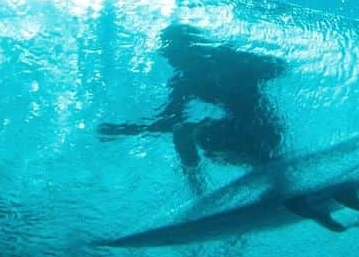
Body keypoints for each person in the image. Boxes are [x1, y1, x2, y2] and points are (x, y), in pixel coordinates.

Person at [98, 24, 288, 194]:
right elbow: (169, 122)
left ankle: (275, 176)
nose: (166, 54)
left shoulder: (224, 57)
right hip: (237, 135)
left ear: (188, 45)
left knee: (200, 132)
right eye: (165, 49)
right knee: (182, 132)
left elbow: (279, 67)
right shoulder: (184, 81)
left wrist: (240, 65)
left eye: (170, 47)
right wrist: (124, 130)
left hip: (267, 131)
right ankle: (199, 195)